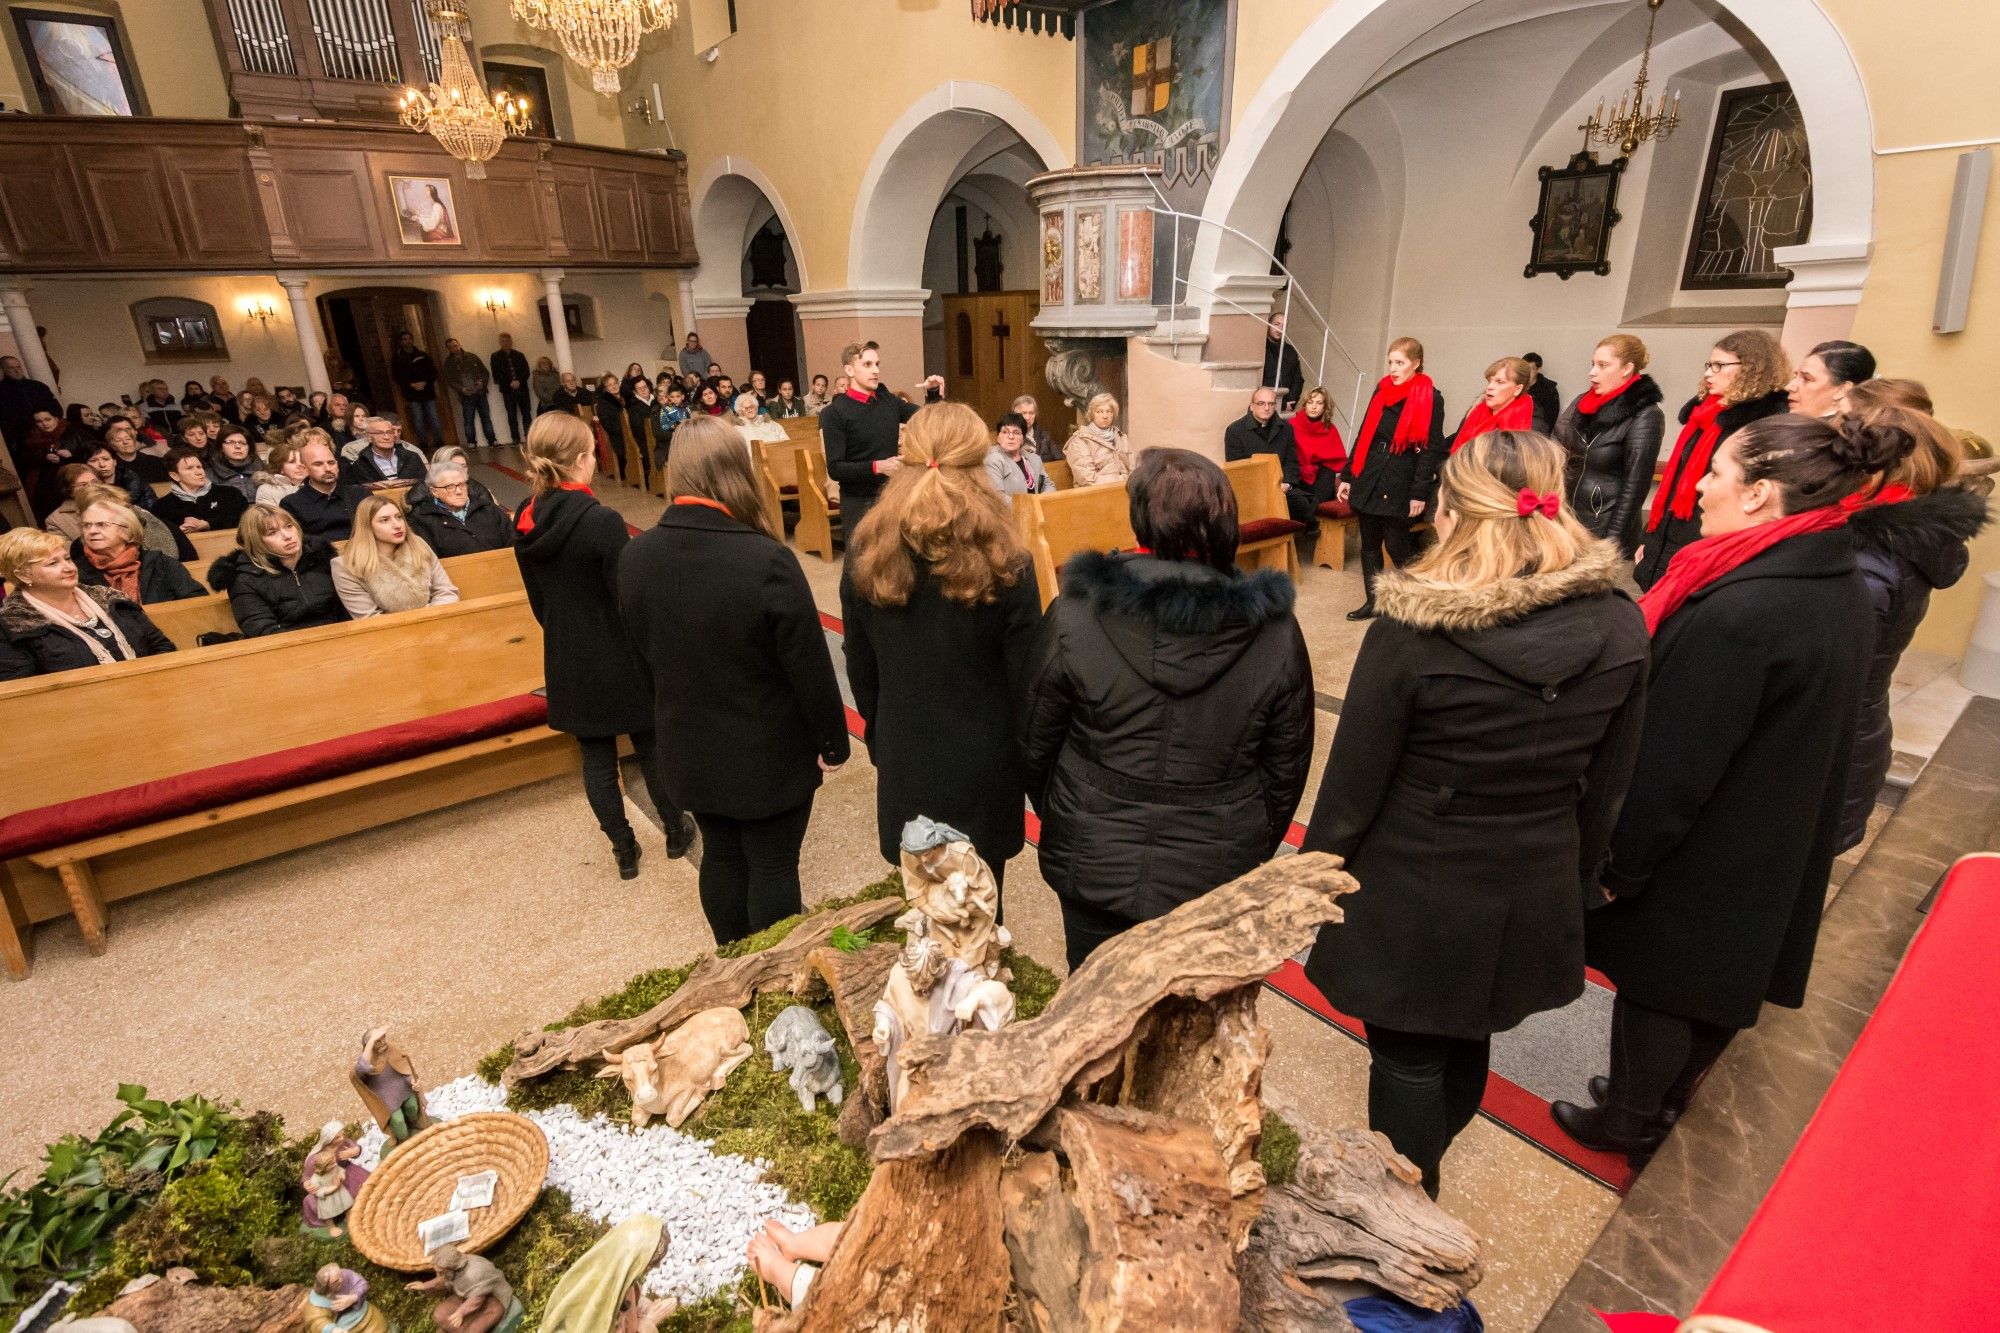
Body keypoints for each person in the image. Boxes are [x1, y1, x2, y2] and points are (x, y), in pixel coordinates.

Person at [1299, 431, 1648, 1196]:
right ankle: (1422, 1175)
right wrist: (1576, 878)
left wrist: (1313, 874)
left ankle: (1402, 1202)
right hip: (1532, 873)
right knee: (1468, 1030)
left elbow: (1355, 782)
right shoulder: (1621, 622)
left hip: (1416, 875)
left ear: (1453, 511)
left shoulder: (1417, 627)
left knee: (1407, 1054)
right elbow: (1612, 780)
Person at [1557, 413, 1903, 1161]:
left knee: (1662, 986)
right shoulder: (1826, 573)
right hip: (1766, 826)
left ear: (1760, 495)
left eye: (1718, 473)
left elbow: (1677, 757)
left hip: (1710, 843)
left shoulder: (1745, 608)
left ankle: (1627, 1116)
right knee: (1710, 982)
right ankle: (1664, 1105)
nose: (1701, 486)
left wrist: (1621, 864)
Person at [1022, 448, 1314, 970]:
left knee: (1095, 1016)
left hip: (1098, 855)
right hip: (1213, 866)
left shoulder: (1076, 613)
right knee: (1194, 1030)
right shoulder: (1275, 631)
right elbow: (1286, 765)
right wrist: (1249, 839)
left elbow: (1035, 742)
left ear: (1140, 519)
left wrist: (1075, 811)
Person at [618, 417, 849, 945]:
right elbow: (810, 668)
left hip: (688, 743)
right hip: (765, 749)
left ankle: (731, 959)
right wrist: (832, 744)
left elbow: (641, 658)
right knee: (771, 865)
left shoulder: (635, 555)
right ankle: (771, 975)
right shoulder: (764, 559)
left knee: (720, 854)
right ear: (735, 473)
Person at [842, 402, 1043, 894]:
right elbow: (1028, 681)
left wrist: (881, 732)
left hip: (906, 750)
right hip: (985, 760)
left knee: (922, 908)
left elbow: (860, 668)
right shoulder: (1007, 558)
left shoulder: (867, 553)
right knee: (981, 912)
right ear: (979, 464)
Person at [514, 413, 694, 877]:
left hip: (567, 658)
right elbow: (626, 596)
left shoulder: (524, 518)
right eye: (593, 453)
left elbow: (538, 602)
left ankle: (624, 851)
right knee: (650, 747)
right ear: (580, 459)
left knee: (595, 758)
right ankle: (676, 833)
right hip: (618, 653)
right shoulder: (601, 520)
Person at [1832, 380, 1985, 852]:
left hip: (1831, 757)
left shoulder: (1867, 561)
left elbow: (1829, 676)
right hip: (1852, 739)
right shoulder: (1899, 541)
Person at [1632, 330, 1791, 590]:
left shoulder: (1760, 428)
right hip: (1669, 541)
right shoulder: (1703, 416)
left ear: (1753, 368)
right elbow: (1675, 485)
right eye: (1709, 365)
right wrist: (1650, 539)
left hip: (1706, 548)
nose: (1708, 373)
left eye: (1719, 366)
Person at [1337, 337, 1447, 620]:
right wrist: (1348, 475)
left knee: (1397, 545)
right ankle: (1373, 601)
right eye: (1390, 362)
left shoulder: (1430, 396)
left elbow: (1432, 447)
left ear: (1416, 363)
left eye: (1400, 363)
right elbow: (1364, 433)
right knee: (1369, 543)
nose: (1393, 369)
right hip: (1370, 470)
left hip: (1401, 475)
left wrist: (1419, 492)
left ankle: (1420, 599)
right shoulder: (1381, 389)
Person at [0, 528, 175, 678]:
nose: (68, 568)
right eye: (53, 563)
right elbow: (23, 689)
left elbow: (161, 646)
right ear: (23, 575)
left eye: (67, 559)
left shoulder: (110, 598)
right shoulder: (13, 624)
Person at [1552, 336, 1665, 557]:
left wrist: (1611, 543)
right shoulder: (1581, 403)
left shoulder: (1645, 415)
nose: (1592, 372)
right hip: (1568, 516)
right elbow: (1557, 444)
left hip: (1601, 522)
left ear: (1627, 368)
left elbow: (1635, 486)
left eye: (1602, 366)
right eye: (1593, 364)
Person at [818, 341, 945, 535]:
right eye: (867, 365)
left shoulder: (888, 401)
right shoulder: (833, 413)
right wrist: (879, 466)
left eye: (877, 364)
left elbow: (925, 419)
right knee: (860, 561)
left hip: (892, 494)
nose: (875, 370)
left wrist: (934, 393)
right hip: (858, 501)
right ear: (849, 370)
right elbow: (836, 468)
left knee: (896, 559)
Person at [208, 504, 349, 637]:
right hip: (288, 649)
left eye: (289, 526)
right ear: (256, 541)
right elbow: (263, 630)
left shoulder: (322, 558)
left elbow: (347, 610)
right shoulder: (245, 577)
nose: (287, 536)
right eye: (272, 533)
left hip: (341, 637)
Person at [331, 495, 459, 619]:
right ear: (367, 527)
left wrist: (430, 616)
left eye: (399, 517)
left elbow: (446, 591)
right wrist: (421, 617)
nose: (397, 525)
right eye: (385, 520)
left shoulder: (418, 544)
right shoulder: (346, 565)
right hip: (390, 636)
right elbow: (369, 618)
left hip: (438, 624)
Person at [72, 497, 205, 604]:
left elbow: (197, 601)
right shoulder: (75, 573)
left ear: (126, 531)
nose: (92, 531)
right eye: (86, 525)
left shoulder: (161, 563)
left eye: (101, 524)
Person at [1223, 386, 1312, 523]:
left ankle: (1287, 542)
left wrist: (1287, 483)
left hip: (1281, 488)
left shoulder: (1285, 428)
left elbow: (1291, 462)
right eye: (1261, 403)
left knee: (1303, 505)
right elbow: (1237, 468)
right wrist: (1263, 489)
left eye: (1271, 403)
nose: (1266, 408)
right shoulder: (1235, 431)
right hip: (1251, 491)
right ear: (1252, 406)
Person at [407, 460, 513, 556]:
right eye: (449, 487)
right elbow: (430, 561)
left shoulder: (489, 509)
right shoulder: (422, 520)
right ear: (434, 492)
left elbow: (512, 543)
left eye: (462, 484)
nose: (458, 491)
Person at [283, 436, 370, 540]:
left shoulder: (361, 494)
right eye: (318, 464)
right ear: (305, 469)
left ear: (337, 466)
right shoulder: (292, 504)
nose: (328, 469)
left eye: (331, 463)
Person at [152, 447, 248, 535]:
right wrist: (178, 532)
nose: (199, 472)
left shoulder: (230, 493)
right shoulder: (162, 507)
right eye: (189, 468)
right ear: (175, 476)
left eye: (199, 467)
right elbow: (158, 535)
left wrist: (207, 524)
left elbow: (244, 519)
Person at [1785, 339, 1877, 419]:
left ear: (1842, 390)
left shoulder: (1836, 436)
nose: (1789, 387)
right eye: (1795, 377)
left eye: (1806, 379)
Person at [1062, 392, 1137, 487]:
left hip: (1125, 490)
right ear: (1092, 414)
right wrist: (1120, 481)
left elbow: (1133, 469)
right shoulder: (1080, 441)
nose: (1105, 416)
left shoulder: (1121, 437)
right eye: (1099, 411)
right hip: (1094, 494)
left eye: (1109, 411)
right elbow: (1087, 479)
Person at [1291, 386, 1348, 506]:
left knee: (1327, 473)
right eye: (1310, 402)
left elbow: (1336, 462)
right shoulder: (1292, 425)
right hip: (1296, 476)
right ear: (1304, 405)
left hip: (1321, 479)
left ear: (1325, 407)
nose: (1314, 407)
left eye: (1319, 403)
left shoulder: (1330, 429)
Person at [0, 355, 61, 459]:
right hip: (23, 440)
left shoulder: (38, 386)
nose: (17, 370)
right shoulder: (1, 391)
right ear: (3, 370)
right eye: (11, 368)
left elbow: (57, 409)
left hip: (52, 433)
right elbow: (6, 418)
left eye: (18, 367)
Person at [344, 415, 428, 489]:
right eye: (380, 433)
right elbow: (355, 491)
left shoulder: (411, 457)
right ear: (369, 437)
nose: (387, 437)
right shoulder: (361, 464)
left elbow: (426, 483)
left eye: (389, 432)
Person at [389, 331, 442, 449]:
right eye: (405, 339)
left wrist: (425, 382)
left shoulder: (423, 355)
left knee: (434, 417)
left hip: (427, 392)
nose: (408, 341)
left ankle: (439, 442)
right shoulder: (398, 358)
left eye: (409, 338)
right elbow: (397, 376)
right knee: (418, 420)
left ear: (413, 340)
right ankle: (423, 444)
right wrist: (411, 384)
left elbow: (433, 372)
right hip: (412, 394)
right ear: (401, 342)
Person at [984, 411, 1052, 500]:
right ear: (998, 438)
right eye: (1005, 432)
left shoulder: (1034, 459)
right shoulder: (993, 460)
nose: (1011, 437)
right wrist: (1028, 508)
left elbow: (1048, 485)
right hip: (1011, 512)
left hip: (1036, 510)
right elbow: (997, 497)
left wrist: (1041, 504)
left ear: (1023, 439)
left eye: (1016, 433)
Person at [443, 337, 496, 448]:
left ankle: (492, 440)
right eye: (452, 347)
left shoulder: (472, 357)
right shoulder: (449, 363)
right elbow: (450, 380)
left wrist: (483, 382)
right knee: (468, 419)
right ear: (449, 349)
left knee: (486, 417)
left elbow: (484, 372)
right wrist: (461, 389)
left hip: (480, 392)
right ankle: (471, 442)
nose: (455, 348)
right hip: (466, 395)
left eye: (456, 345)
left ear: (459, 344)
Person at [74, 438, 150, 511]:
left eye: (106, 459)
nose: (102, 464)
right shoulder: (84, 486)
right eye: (93, 460)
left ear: (114, 462)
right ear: (84, 465)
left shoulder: (132, 479)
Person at [490, 332, 533, 442]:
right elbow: (496, 374)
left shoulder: (519, 355)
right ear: (500, 342)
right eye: (503, 341)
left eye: (508, 341)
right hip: (508, 390)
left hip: (522, 388)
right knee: (511, 414)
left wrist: (519, 381)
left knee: (526, 413)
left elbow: (526, 371)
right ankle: (515, 438)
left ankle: (529, 436)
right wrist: (509, 382)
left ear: (511, 341)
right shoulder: (495, 357)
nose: (506, 343)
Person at [103, 415, 167, 488]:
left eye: (128, 438)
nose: (125, 442)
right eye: (119, 440)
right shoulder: (110, 467)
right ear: (112, 445)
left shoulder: (156, 461)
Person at [206, 424, 261, 501]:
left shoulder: (262, 470)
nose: (238, 446)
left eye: (243, 443)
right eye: (231, 442)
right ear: (220, 446)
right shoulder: (209, 474)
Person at [1263, 311, 1305, 411]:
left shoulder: (1290, 351)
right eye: (1277, 324)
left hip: (1286, 404)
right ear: (1269, 325)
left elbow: (1298, 379)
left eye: (1284, 326)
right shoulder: (1261, 348)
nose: (1280, 329)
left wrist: (1291, 401)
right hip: (1264, 403)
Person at [622, 378, 659, 490]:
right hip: (645, 440)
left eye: (645, 387)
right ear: (635, 391)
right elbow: (638, 429)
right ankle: (656, 480)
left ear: (649, 388)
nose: (643, 390)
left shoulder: (657, 401)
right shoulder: (633, 406)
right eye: (639, 388)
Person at [255, 436, 310, 508]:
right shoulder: (266, 490)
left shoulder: (316, 485)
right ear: (279, 466)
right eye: (292, 462)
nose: (300, 465)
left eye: (302, 461)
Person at [1522, 354, 1561, 434]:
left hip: (1538, 434)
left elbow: (1550, 418)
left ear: (1538, 369)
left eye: (1530, 369)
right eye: (1524, 369)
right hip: (1516, 433)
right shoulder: (1515, 386)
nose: (1527, 373)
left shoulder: (1549, 389)